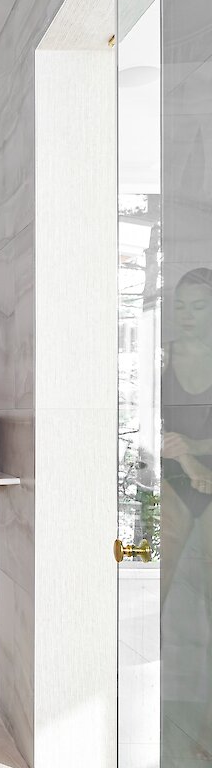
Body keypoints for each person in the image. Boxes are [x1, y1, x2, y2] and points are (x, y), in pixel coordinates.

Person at [159, 267, 212, 756]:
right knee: (154, 598)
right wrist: (185, 457)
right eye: (182, 305)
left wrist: (194, 447)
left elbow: (187, 439)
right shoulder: (164, 356)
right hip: (174, 483)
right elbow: (145, 421)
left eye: (200, 305)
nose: (189, 315)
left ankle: (207, 733)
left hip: (207, 478)